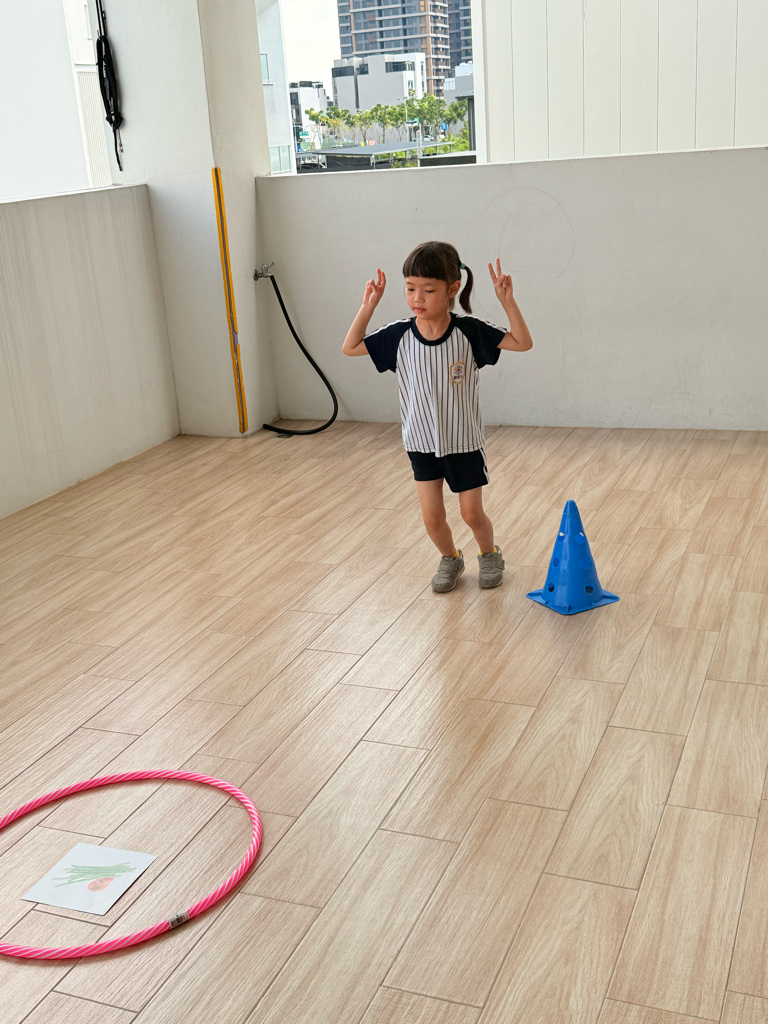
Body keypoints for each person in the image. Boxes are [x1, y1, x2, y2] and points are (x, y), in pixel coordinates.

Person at [342, 240, 533, 593]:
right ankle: (450, 557)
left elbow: (522, 342)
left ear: (452, 289)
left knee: (471, 514)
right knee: (432, 518)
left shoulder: (469, 331)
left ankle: (489, 553)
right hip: (420, 443)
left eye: (428, 290)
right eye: (410, 288)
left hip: (463, 442)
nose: (417, 298)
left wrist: (507, 301)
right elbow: (350, 347)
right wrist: (368, 306)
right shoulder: (399, 335)